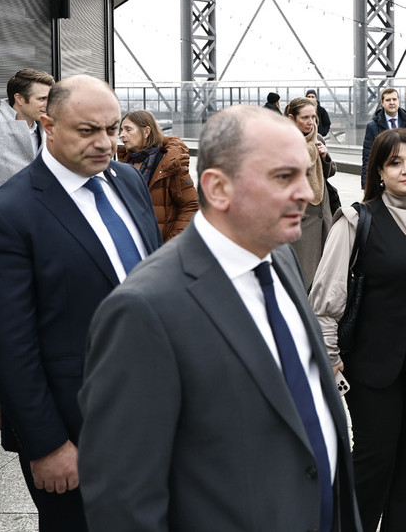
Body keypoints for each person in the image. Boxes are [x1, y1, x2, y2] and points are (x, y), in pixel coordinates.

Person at [78, 106, 361, 532]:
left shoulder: (280, 257)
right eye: (283, 177)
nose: (305, 193)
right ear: (218, 187)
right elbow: (124, 499)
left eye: (305, 174)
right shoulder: (143, 310)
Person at [0, 75, 162, 531]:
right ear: (48, 124)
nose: (106, 143)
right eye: (88, 130)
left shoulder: (128, 180)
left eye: (112, 128)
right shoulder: (5, 216)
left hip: (155, 406)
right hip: (76, 425)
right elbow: (8, 345)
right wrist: (47, 444)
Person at [309, 128, 406, 532]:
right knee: (375, 454)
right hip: (369, 365)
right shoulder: (356, 220)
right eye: (395, 162)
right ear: (379, 172)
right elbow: (326, 299)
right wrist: (331, 359)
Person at [0, 68, 54, 432]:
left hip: (43, 245)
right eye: (43, 99)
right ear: (19, 99)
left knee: (38, 319)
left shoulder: (48, 131)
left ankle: (31, 393)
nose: (49, 105)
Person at [117, 110, 198, 242]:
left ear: (146, 132)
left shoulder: (169, 164)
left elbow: (191, 206)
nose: (121, 135)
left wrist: (172, 244)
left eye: (128, 129)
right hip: (132, 244)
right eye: (121, 130)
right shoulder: (123, 165)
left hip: (160, 246)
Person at [286, 96, 337, 290]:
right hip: (301, 218)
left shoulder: (318, 139)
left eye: (313, 117)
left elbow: (330, 172)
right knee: (303, 275)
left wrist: (325, 156)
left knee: (324, 274)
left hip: (323, 215)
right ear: (292, 118)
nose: (311, 122)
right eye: (305, 118)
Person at [360, 88, 406, 189]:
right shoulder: (373, 126)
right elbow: (368, 156)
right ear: (382, 103)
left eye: (394, 99)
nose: (391, 103)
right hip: (385, 178)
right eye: (388, 100)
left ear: (398, 101)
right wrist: (366, 184)